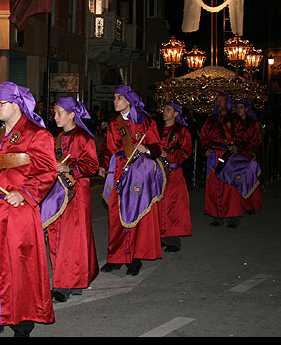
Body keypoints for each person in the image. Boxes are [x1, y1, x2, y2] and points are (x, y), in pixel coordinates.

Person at [0, 81, 57, 337]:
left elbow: (48, 171)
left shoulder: (38, 134)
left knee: (19, 267)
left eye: (0, 103)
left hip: (18, 211)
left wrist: (25, 193)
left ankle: (22, 321)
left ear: (15, 104)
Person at [98, 85, 164, 276]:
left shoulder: (146, 122)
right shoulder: (113, 124)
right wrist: (103, 164)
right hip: (118, 170)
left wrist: (147, 149)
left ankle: (135, 258)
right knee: (116, 214)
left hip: (139, 173)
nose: (115, 101)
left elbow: (157, 146)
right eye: (114, 98)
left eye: (118, 98)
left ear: (128, 100)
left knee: (136, 214)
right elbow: (107, 149)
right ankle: (116, 257)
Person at [46, 97, 99, 302]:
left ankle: (65, 284)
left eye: (60, 113)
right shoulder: (57, 137)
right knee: (57, 236)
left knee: (72, 239)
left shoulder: (84, 137)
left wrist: (71, 167)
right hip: (58, 193)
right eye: (55, 112)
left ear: (72, 114)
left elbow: (92, 165)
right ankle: (69, 281)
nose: (56, 116)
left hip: (77, 193)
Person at [199, 92, 242, 228]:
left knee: (230, 187)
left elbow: (242, 136)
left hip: (228, 155)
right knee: (213, 186)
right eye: (217, 100)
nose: (219, 103)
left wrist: (237, 146)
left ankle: (232, 217)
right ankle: (216, 216)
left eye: (221, 100)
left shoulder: (234, 119)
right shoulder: (210, 120)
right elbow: (203, 138)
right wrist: (205, 149)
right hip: (213, 156)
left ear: (227, 103)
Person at [157, 103, 192, 253]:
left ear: (176, 114)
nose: (164, 112)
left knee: (174, 206)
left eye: (168, 110)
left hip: (174, 173)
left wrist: (168, 155)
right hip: (157, 172)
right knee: (157, 204)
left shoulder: (182, 131)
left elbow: (186, 151)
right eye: (164, 109)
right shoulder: (157, 130)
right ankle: (158, 237)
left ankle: (173, 240)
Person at [234, 99, 263, 214]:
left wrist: (254, 152)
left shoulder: (252, 123)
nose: (239, 109)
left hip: (247, 153)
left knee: (250, 179)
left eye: (241, 107)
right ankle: (238, 204)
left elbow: (257, 139)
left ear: (246, 109)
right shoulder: (233, 122)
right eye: (238, 107)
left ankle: (251, 205)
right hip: (236, 154)